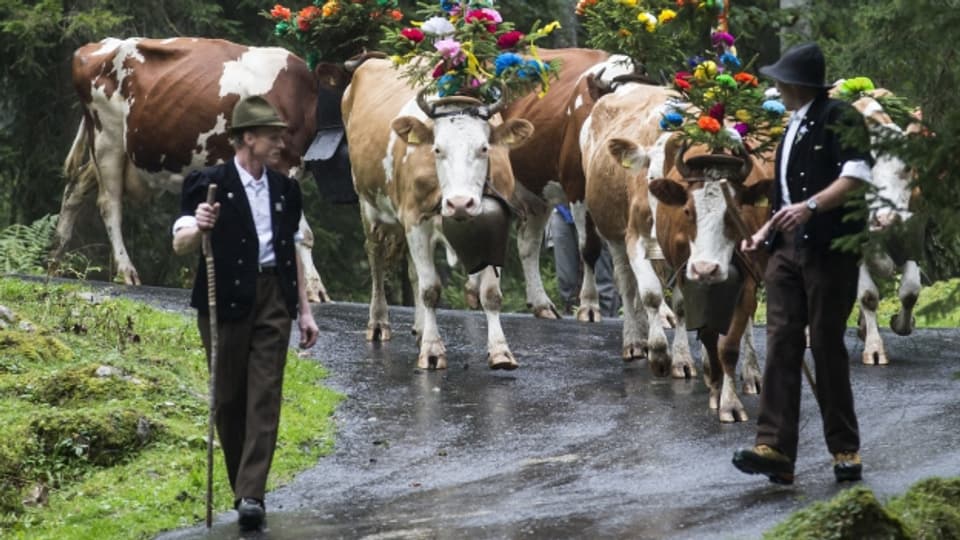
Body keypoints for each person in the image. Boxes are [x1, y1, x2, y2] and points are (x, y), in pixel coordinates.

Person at [172, 95, 319, 531]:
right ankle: (242, 484)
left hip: (274, 296)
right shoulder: (208, 184)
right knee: (228, 398)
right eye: (273, 136)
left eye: (281, 135)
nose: (280, 143)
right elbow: (180, 238)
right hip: (224, 300)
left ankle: (251, 493)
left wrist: (305, 312)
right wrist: (197, 224)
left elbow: (291, 247)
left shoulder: (285, 189)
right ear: (247, 138)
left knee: (265, 394)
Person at [732, 43, 873, 485]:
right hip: (786, 251)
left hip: (830, 250)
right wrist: (765, 233)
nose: (776, 85)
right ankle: (774, 448)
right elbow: (788, 198)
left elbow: (856, 175)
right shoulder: (791, 123)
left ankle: (845, 449)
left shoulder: (840, 117)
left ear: (795, 83)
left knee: (827, 345)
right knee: (781, 343)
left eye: (780, 79)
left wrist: (812, 206)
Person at [548, 204, 620, 317]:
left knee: (602, 280)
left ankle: (607, 323)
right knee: (566, 281)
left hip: (593, 211)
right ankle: (571, 324)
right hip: (562, 212)